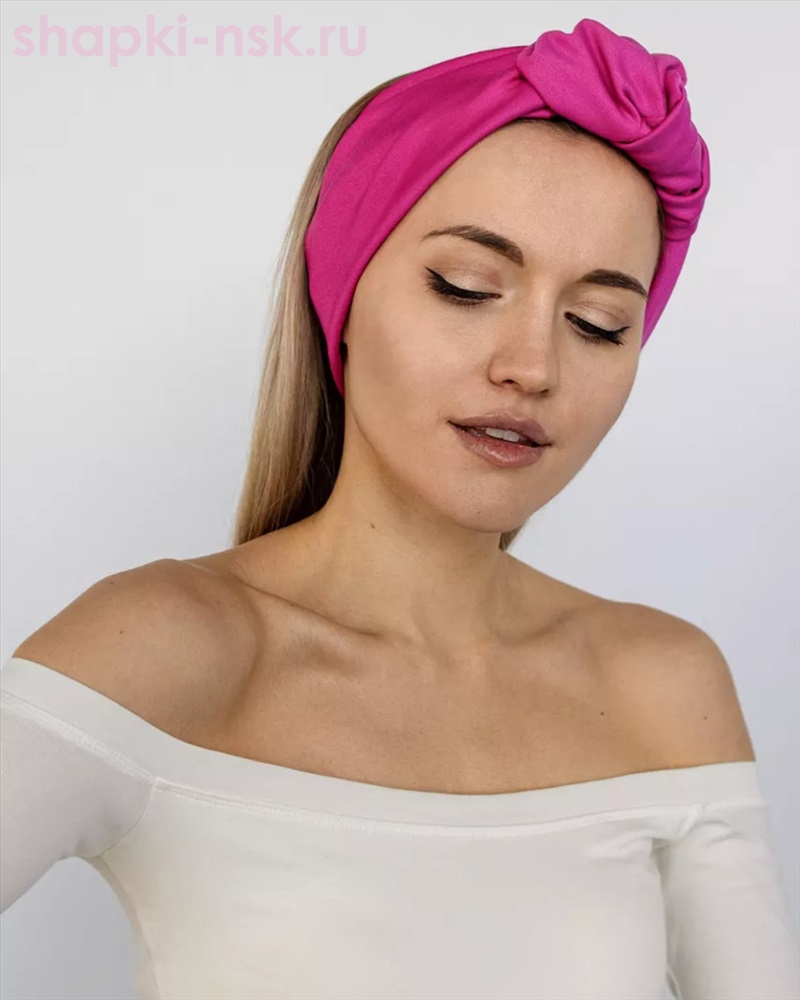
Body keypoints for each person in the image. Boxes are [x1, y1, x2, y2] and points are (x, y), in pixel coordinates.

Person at [2, 18, 798, 1000]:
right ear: (341, 292)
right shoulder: (171, 647)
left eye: (598, 323)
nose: (532, 366)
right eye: (466, 286)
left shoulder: (662, 684)